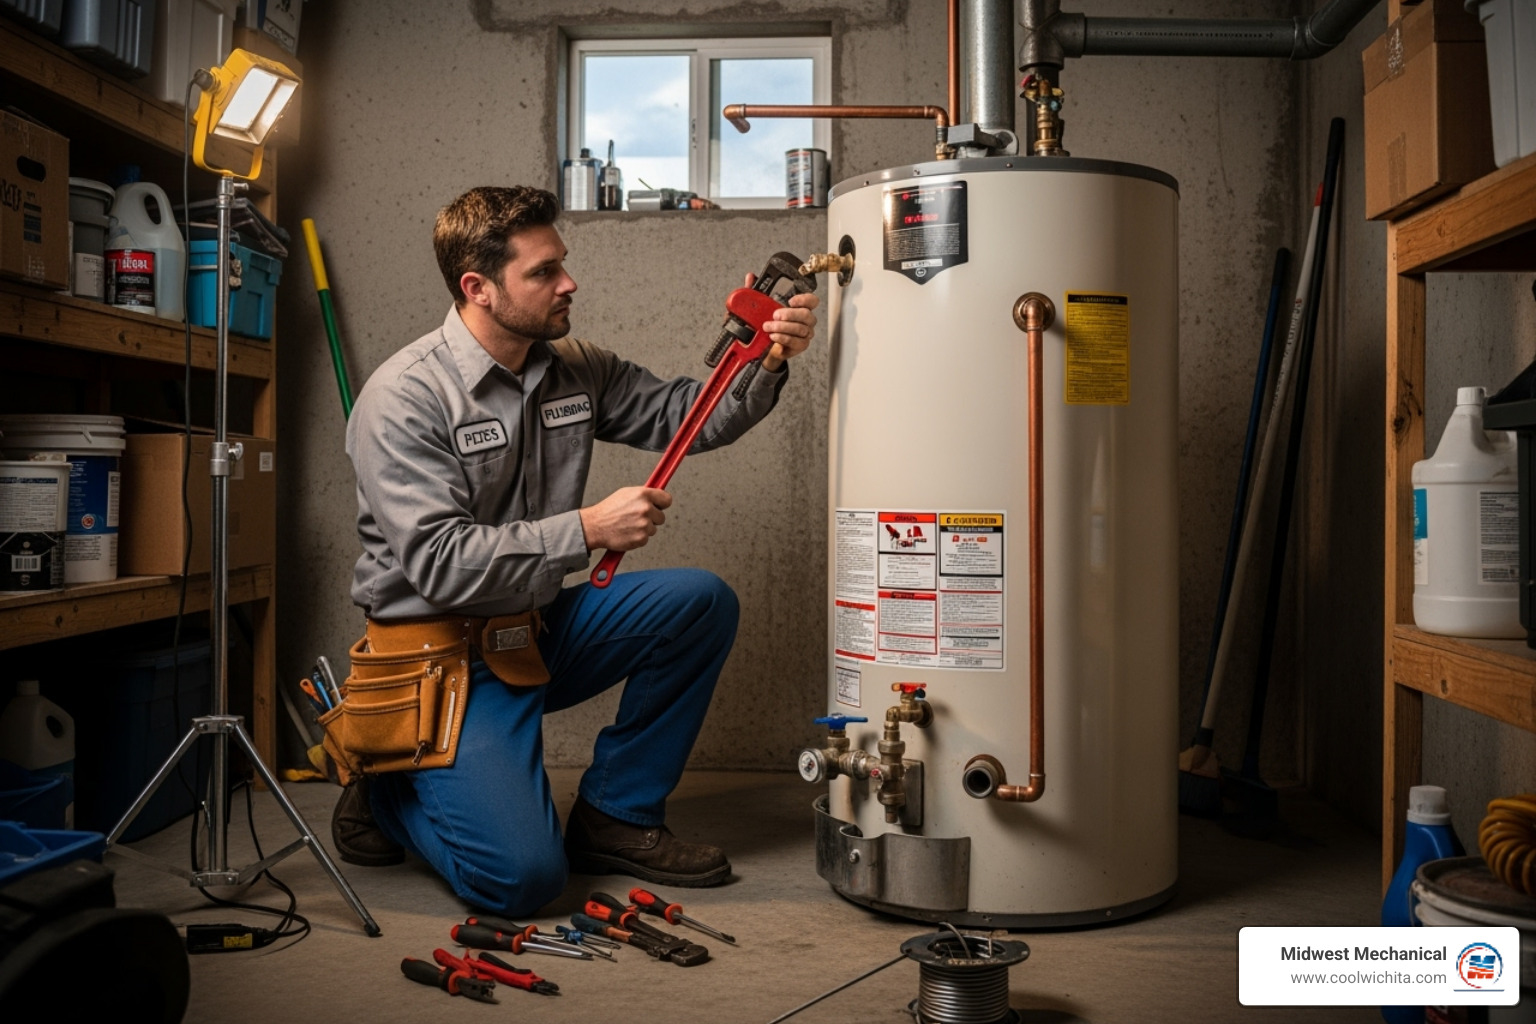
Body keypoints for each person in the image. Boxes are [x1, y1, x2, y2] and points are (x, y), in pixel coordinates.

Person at [332, 185, 818, 916]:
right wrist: (587, 529)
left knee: (698, 603)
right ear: (478, 288)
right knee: (522, 880)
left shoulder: (574, 366)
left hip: (534, 629)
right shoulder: (404, 398)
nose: (569, 282)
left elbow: (692, 418)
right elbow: (438, 561)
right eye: (543, 272)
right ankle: (386, 784)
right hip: (443, 659)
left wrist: (765, 359)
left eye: (562, 262)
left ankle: (616, 814)